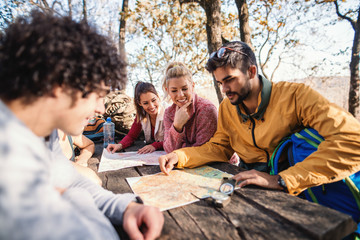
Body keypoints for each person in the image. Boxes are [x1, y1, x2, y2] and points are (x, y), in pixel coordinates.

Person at [0, 10, 163, 240]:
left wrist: (127, 207)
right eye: (98, 95)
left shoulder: (42, 134)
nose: (101, 109)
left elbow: (70, 179)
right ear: (60, 84)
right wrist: (75, 198)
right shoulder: (7, 156)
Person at [159, 41, 360, 197]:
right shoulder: (227, 108)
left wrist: (281, 180)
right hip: (249, 184)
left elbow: (353, 141)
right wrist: (180, 156)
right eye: (220, 82)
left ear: (251, 71)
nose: (224, 89)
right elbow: (219, 147)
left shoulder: (295, 96)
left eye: (229, 80)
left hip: (304, 189)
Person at [162, 62, 218, 153]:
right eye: (174, 90)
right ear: (167, 91)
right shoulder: (169, 113)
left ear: (192, 86)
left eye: (184, 89)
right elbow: (169, 150)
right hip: (186, 164)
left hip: (221, 165)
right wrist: (177, 126)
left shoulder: (207, 109)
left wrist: (181, 148)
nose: (180, 95)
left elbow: (202, 150)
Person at [107, 81, 164, 154]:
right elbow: (131, 136)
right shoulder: (141, 115)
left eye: (153, 100)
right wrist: (120, 145)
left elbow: (174, 141)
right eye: (145, 103)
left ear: (158, 97)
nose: (151, 106)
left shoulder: (168, 112)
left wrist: (155, 145)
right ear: (140, 103)